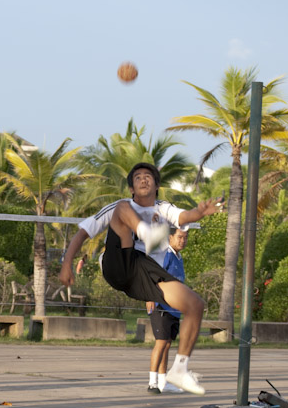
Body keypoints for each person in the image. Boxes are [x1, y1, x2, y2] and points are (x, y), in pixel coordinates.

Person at [59, 162, 222, 395]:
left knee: (195, 304)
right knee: (123, 211)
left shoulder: (164, 208)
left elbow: (184, 216)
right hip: (117, 264)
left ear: (157, 185)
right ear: (132, 188)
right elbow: (83, 233)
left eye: (148, 176)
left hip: (144, 273)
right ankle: (147, 234)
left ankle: (180, 369)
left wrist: (201, 212)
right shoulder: (120, 205)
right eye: (138, 177)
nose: (144, 179)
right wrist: (66, 264)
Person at [147, 227, 188, 394]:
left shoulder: (179, 258)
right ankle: (152, 382)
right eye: (179, 237)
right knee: (161, 342)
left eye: (185, 238)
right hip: (161, 307)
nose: (182, 241)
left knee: (168, 344)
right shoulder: (165, 255)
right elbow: (151, 275)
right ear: (170, 237)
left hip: (174, 308)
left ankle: (164, 382)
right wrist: (150, 296)